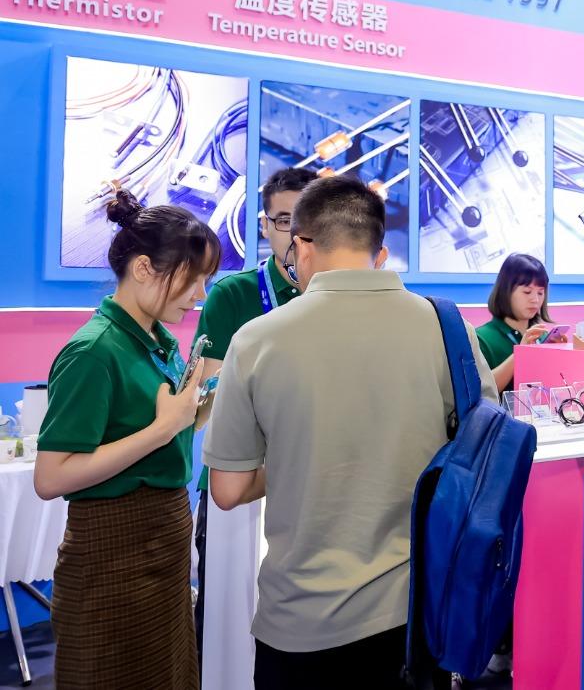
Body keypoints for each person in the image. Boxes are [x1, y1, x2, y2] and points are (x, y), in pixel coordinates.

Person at [202, 175, 495, 690]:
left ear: (301, 247)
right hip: (419, 613)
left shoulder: (256, 340)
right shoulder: (449, 329)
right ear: (378, 253)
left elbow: (227, 489)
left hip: (301, 621)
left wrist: (297, 459)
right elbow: (483, 449)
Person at [35, 188, 220, 690]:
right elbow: (51, 477)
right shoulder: (94, 351)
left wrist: (202, 405)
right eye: (192, 278)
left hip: (163, 541)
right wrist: (163, 428)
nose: (200, 295)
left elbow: (165, 436)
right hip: (111, 551)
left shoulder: (158, 339)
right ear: (143, 269)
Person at [190, 166, 316, 683]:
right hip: (239, 485)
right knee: (229, 631)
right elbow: (207, 402)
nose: (296, 235)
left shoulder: (339, 299)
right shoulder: (233, 295)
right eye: (284, 221)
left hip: (315, 482)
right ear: (264, 226)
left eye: (307, 221)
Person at [477, 252, 565, 393]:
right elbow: (481, 391)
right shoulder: (481, 338)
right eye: (527, 292)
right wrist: (520, 354)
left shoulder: (542, 337)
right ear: (506, 291)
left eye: (540, 293)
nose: (535, 300)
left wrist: (560, 356)